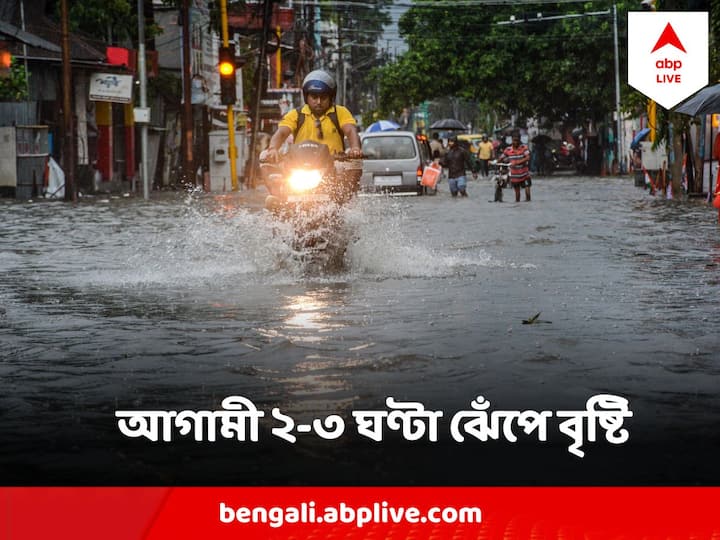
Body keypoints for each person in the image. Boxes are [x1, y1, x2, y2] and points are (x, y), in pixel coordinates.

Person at [264, 70, 362, 162]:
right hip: (300, 168)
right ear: (307, 97)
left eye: (323, 97)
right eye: (314, 97)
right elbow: (281, 133)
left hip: (335, 168)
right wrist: (273, 149)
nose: (318, 102)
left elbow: (350, 130)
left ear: (331, 98)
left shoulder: (340, 112)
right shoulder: (296, 115)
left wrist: (355, 148)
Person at [501, 131, 532, 202]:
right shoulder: (508, 149)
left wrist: (517, 162)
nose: (515, 142)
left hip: (525, 174)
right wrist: (495, 161)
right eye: (514, 140)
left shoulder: (524, 147)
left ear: (519, 140)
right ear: (512, 140)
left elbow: (527, 157)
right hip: (515, 176)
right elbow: (502, 157)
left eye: (517, 140)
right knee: (517, 196)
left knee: (528, 193)